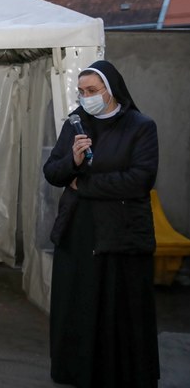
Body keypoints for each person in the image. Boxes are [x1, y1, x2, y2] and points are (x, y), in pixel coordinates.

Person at [43, 60, 160, 388]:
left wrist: (84, 185)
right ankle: (75, 370)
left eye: (92, 91)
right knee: (77, 304)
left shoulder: (140, 126)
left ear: (111, 91)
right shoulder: (75, 123)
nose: (86, 97)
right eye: (81, 91)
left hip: (120, 233)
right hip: (78, 231)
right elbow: (53, 172)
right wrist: (74, 161)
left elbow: (139, 180)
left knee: (117, 308)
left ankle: (119, 374)